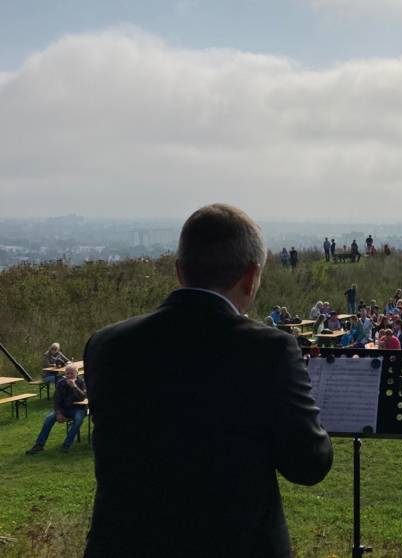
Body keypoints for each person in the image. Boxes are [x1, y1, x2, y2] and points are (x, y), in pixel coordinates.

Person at [82, 204, 333, 558]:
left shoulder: (106, 345)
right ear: (251, 276)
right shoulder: (269, 350)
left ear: (179, 271)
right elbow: (308, 465)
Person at [26, 364, 87, 454]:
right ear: (65, 374)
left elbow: (82, 397)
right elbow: (56, 400)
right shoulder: (61, 383)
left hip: (78, 409)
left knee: (78, 420)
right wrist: (58, 413)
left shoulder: (81, 382)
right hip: (64, 409)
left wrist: (74, 386)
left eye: (72, 373)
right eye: (67, 374)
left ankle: (66, 445)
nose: (69, 376)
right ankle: (39, 445)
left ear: (77, 373)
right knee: (49, 418)